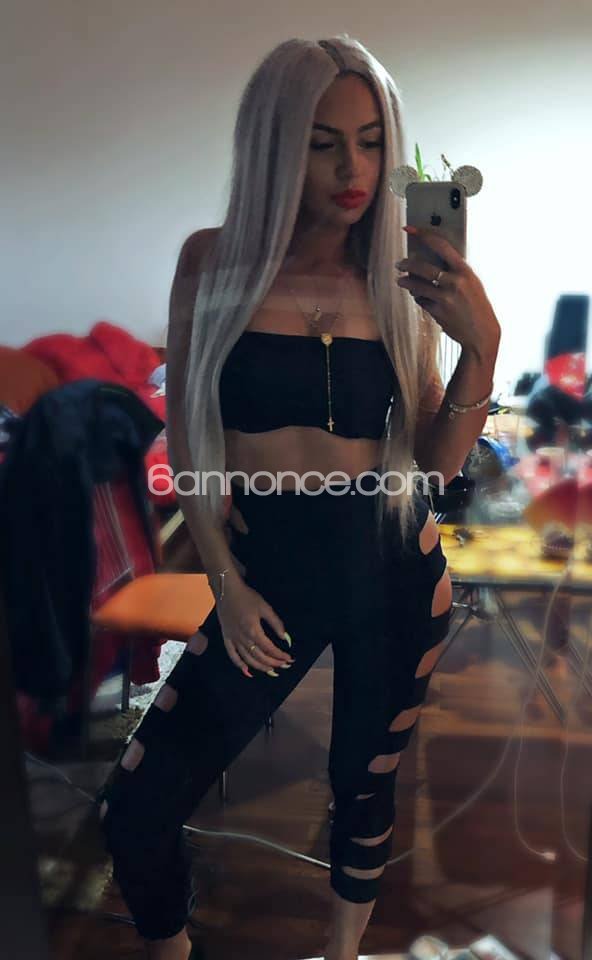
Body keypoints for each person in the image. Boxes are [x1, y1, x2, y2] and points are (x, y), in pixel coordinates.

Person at [99, 34, 500, 960]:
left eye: (370, 141)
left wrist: (481, 347)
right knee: (138, 806)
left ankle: (342, 952)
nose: (353, 170)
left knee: (364, 786)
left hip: (393, 563)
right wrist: (226, 582)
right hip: (267, 572)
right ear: (275, 147)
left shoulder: (399, 276)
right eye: (323, 144)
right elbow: (191, 434)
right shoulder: (213, 263)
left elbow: (435, 465)